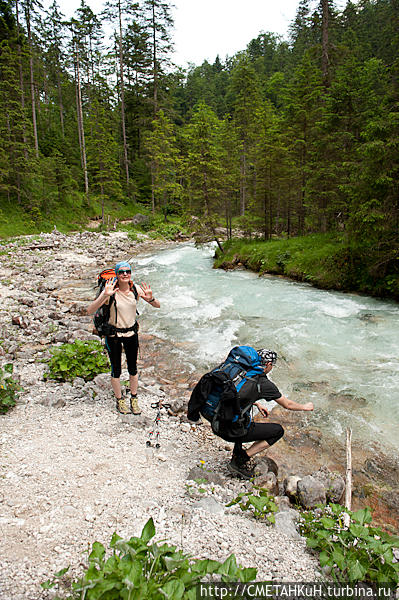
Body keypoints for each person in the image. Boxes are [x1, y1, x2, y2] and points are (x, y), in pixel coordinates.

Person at [187, 349, 314, 479]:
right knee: (278, 431)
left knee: (245, 415)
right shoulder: (263, 383)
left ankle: (237, 450)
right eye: (272, 365)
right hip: (227, 429)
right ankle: (240, 459)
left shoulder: (234, 370)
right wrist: (305, 407)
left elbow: (229, 393)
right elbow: (288, 404)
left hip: (212, 417)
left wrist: (256, 403)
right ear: (269, 364)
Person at [87, 261, 160, 415]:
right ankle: (120, 400)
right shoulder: (110, 292)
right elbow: (89, 310)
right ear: (117, 275)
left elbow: (157, 306)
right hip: (114, 335)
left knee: (133, 369)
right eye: (121, 272)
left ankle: (134, 399)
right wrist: (104, 296)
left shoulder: (135, 289)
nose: (125, 274)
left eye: (128, 271)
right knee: (116, 370)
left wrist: (151, 298)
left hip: (131, 334)